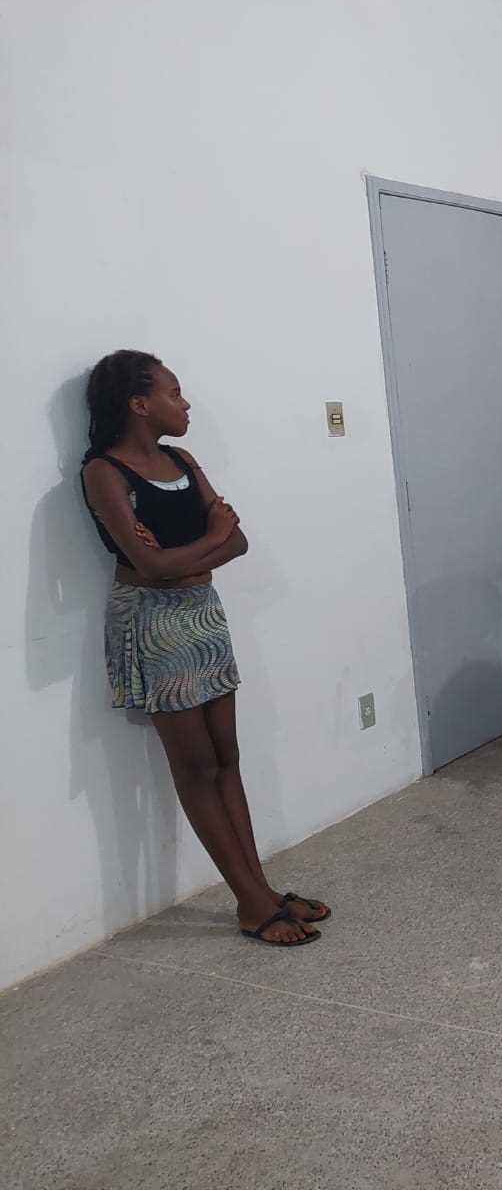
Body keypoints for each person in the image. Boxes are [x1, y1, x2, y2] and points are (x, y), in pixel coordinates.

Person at [79, 350, 328, 947]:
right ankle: (249, 904)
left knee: (227, 757)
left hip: (202, 616)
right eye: (174, 392)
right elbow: (148, 564)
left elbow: (235, 542)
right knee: (194, 767)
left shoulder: (182, 460)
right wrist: (202, 542)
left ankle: (262, 890)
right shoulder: (103, 472)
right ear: (139, 403)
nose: (185, 403)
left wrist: (187, 556)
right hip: (152, 623)